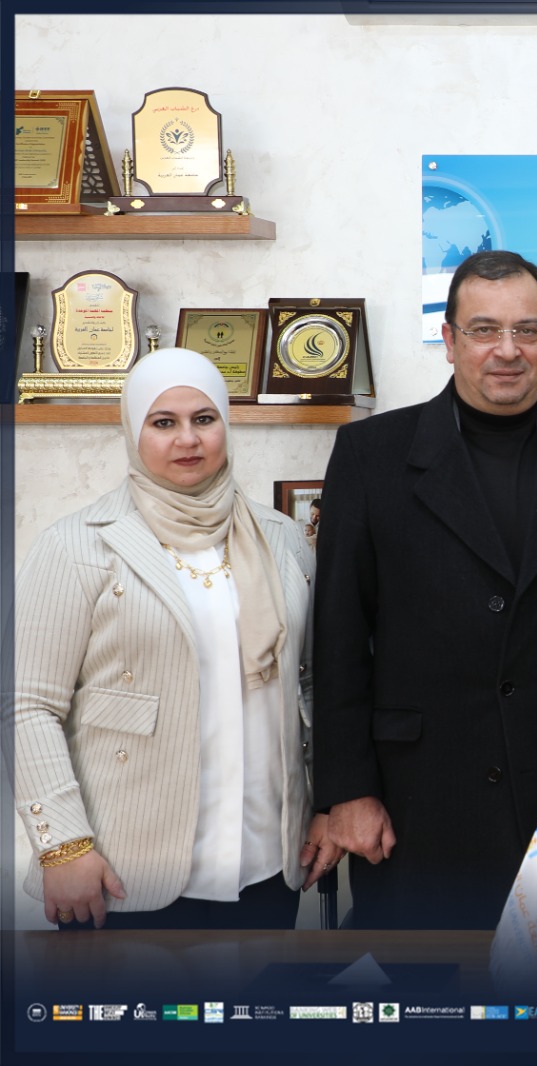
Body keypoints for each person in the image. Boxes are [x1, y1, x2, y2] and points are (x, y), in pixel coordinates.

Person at [313, 250, 537, 929]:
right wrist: (347, 791)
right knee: (427, 990)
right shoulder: (370, 457)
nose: (508, 350)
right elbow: (339, 638)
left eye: (527, 330)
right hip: (421, 802)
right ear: (450, 340)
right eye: (484, 329)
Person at [11, 348, 333, 929]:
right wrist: (63, 845)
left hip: (264, 863)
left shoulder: (282, 540)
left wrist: (328, 804)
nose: (188, 439)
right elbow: (27, 705)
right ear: (134, 430)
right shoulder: (78, 545)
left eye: (204, 419)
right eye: (164, 422)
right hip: (120, 874)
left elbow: (310, 686)